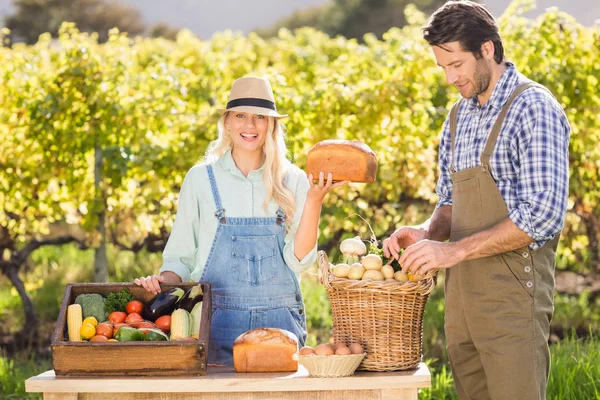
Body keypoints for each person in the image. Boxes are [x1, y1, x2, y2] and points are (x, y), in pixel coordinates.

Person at [383, 2, 570, 399]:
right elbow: (450, 202)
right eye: (443, 68)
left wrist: (452, 253)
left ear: (487, 49)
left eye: (457, 65)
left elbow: (543, 215)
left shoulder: (533, 107)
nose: (451, 78)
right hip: (462, 303)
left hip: (511, 301)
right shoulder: (457, 117)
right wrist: (426, 233)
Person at [135, 76, 345, 365]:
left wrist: (314, 200)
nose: (250, 125)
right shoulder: (200, 179)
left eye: (260, 117)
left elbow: (300, 262)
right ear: (227, 122)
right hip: (215, 322)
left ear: (271, 125)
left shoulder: (293, 179)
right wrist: (160, 282)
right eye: (241, 116)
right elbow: (180, 259)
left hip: (280, 326)